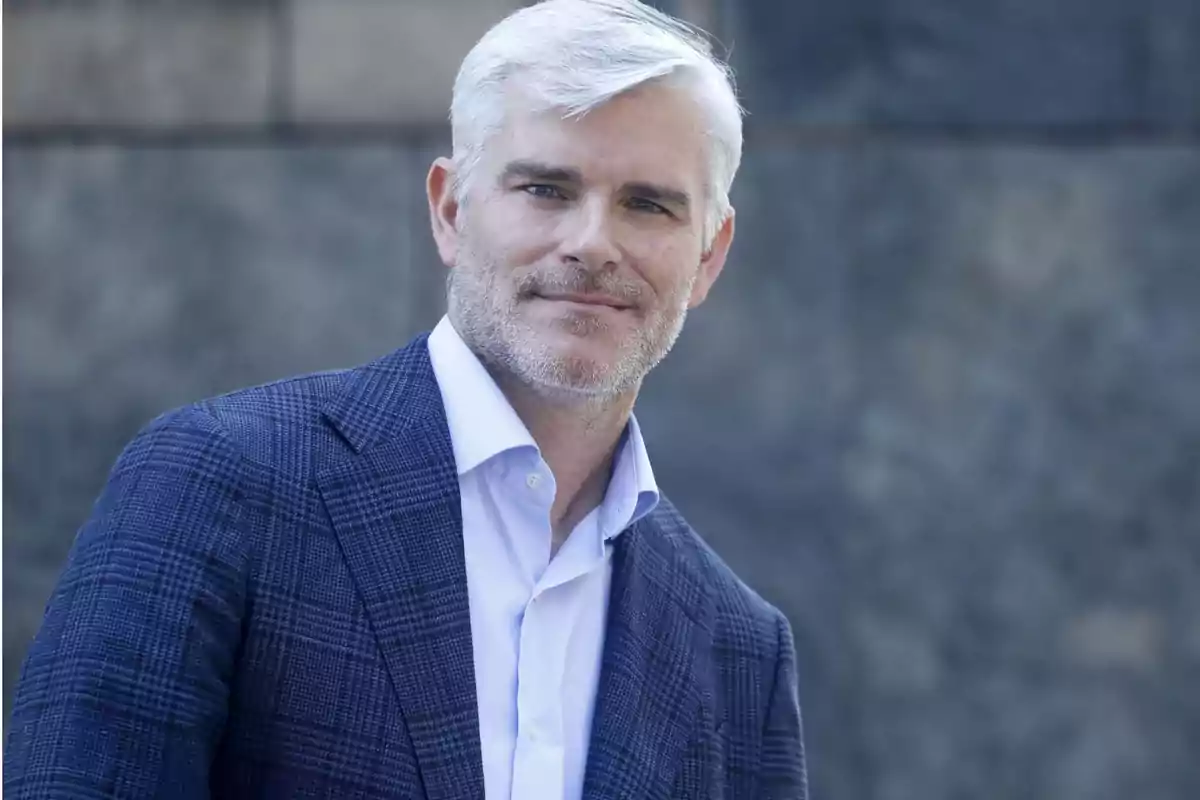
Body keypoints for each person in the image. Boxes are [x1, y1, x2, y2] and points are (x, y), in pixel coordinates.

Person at [4, 0, 807, 797]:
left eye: (649, 204)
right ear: (451, 210)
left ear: (709, 255)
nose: (592, 243)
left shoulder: (738, 649)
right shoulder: (222, 483)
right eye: (544, 189)